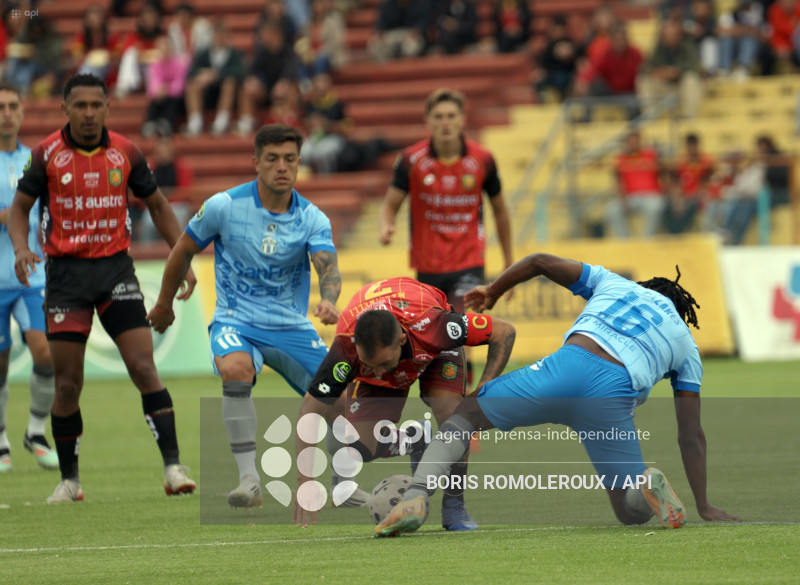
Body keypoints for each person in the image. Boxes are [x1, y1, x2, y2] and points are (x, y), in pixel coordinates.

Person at [375, 253, 742, 537]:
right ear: (680, 312)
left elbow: (539, 261)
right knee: (629, 512)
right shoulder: (688, 348)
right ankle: (644, 485)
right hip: (613, 397)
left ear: (647, 288)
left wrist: (494, 290)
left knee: (466, 415)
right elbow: (691, 435)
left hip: (566, 368)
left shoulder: (618, 284)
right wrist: (705, 504)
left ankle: (414, 499)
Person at [148, 124, 365, 509]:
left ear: (299, 163)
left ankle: (344, 485)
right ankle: (249, 479)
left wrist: (330, 300)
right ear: (256, 162)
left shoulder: (312, 217)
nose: (282, 167)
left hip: (290, 324)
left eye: (290, 159)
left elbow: (327, 267)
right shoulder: (224, 206)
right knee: (235, 369)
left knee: (344, 398)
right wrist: (164, 305)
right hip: (236, 319)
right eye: (272, 159)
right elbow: (182, 250)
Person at [7, 74, 197, 503]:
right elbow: (19, 210)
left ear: (108, 108)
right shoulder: (46, 155)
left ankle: (173, 468)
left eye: (96, 105)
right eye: (80, 106)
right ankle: (70, 480)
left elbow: (159, 206)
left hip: (116, 274)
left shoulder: (126, 152)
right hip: (66, 279)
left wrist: (181, 258)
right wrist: (21, 248)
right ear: (65, 110)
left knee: (144, 368)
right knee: (68, 384)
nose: (89, 113)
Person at [293, 277, 516, 529]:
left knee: (454, 417)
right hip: (388, 342)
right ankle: (419, 437)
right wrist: (305, 480)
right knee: (360, 448)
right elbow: (310, 408)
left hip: (434, 350)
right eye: (370, 365)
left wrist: (481, 391)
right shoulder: (346, 347)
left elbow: (504, 331)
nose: (378, 374)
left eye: (384, 364)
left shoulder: (435, 325)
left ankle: (454, 505)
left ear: (400, 340)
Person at [379, 88, 514, 387]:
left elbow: (501, 213)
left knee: (463, 336)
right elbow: (390, 205)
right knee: (435, 343)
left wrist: (508, 264)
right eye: (438, 116)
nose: (445, 122)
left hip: (469, 263)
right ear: (427, 121)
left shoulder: (483, 160)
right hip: (427, 269)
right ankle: (446, 406)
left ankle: (467, 407)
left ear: (462, 119)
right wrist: (386, 226)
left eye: (451, 116)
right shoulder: (411, 160)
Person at [0, 81, 57, 473]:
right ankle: (1, 438)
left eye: (13, 106)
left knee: (46, 353)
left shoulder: (37, 161)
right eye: (1, 106)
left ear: (22, 112)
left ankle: (35, 431)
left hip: (31, 277)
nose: (6, 112)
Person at [605, 130, 666, 239]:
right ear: (626, 143)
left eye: (636, 141)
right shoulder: (621, 159)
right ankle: (625, 241)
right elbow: (618, 181)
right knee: (612, 210)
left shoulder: (651, 155)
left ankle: (648, 240)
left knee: (656, 206)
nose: (633, 144)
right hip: (630, 197)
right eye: (630, 142)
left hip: (651, 195)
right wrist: (622, 198)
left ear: (640, 142)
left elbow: (663, 173)